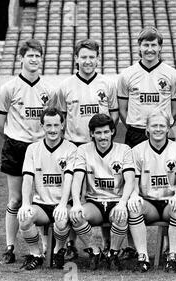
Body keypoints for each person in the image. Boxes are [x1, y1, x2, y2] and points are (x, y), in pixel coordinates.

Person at [54, 38, 119, 258]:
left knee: (106, 192)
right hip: (75, 146)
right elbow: (61, 117)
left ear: (98, 59)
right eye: (84, 57)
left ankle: (110, 244)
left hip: (101, 145)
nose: (88, 61)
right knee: (76, 196)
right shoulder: (65, 86)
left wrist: (103, 136)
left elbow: (114, 114)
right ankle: (71, 244)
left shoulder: (108, 84)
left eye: (92, 57)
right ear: (76, 59)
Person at [0, 39, 53, 264]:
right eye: (29, 55)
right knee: (16, 199)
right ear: (21, 58)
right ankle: (10, 247)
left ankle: (46, 246)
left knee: (42, 197)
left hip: (41, 149)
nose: (34, 59)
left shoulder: (48, 89)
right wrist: (16, 138)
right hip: (16, 146)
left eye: (37, 56)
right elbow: (0, 123)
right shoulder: (8, 88)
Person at [69, 114, 135, 270]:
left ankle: (113, 253)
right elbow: (77, 178)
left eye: (106, 132)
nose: (103, 136)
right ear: (91, 134)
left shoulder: (124, 150)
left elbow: (130, 180)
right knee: (76, 216)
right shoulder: (83, 150)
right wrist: (77, 203)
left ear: (113, 131)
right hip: (94, 201)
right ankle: (95, 251)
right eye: (98, 133)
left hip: (116, 200)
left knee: (121, 215)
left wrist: (123, 203)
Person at [17, 108, 76, 270]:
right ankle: (36, 254)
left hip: (63, 202)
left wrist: (63, 205)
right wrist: (26, 204)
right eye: (48, 125)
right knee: (24, 218)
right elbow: (28, 179)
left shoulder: (71, 149)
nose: (52, 130)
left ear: (62, 125)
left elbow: (70, 179)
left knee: (62, 219)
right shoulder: (32, 149)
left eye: (56, 125)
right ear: (42, 126)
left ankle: (58, 251)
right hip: (41, 205)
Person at [127, 110, 176, 272]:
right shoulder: (137, 151)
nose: (158, 129)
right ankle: (143, 257)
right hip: (149, 202)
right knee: (134, 207)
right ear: (147, 128)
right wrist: (133, 195)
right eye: (154, 126)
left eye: (162, 125)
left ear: (168, 128)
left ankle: (172, 256)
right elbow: (134, 181)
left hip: (169, 201)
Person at [117, 27, 176, 148]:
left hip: (162, 131)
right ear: (139, 46)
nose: (149, 49)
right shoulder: (126, 74)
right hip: (136, 132)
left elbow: (175, 110)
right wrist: (134, 127)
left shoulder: (172, 74)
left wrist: (162, 127)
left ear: (160, 47)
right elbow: (122, 110)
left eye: (153, 45)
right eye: (146, 45)